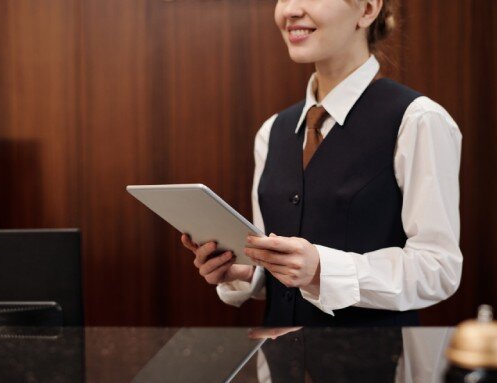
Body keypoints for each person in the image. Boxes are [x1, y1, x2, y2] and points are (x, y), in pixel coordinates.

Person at [182, 0, 462, 326]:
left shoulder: (418, 120)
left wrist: (322, 269)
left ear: (368, 9)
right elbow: (275, 261)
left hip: (379, 368)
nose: (290, 10)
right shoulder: (272, 131)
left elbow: (438, 269)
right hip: (280, 366)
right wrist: (247, 271)